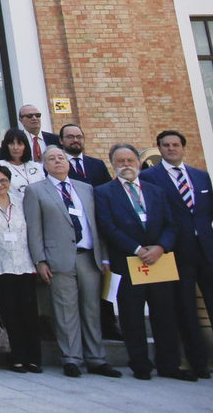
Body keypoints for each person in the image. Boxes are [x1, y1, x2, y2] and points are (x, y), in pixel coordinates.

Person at [94, 142, 190, 380]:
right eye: (120, 161)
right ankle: (140, 365)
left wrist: (160, 247)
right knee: (131, 315)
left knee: (165, 314)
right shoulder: (104, 192)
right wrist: (137, 249)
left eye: (130, 160)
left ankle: (169, 365)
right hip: (127, 261)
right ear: (113, 164)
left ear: (138, 162)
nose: (126, 165)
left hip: (159, 261)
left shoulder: (155, 190)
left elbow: (170, 224)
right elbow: (107, 225)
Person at [24, 145, 114, 377]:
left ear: (68, 162)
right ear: (44, 165)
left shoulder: (86, 189)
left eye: (61, 158)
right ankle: (71, 358)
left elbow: (97, 224)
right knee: (65, 312)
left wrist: (104, 256)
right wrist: (40, 261)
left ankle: (96, 358)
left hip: (88, 257)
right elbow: (34, 229)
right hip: (58, 259)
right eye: (51, 159)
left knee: (92, 310)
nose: (57, 161)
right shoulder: (36, 191)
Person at [141, 128, 213, 380]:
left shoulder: (201, 176)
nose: (171, 148)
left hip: (207, 251)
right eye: (166, 145)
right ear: (159, 149)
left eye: (175, 145)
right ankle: (198, 363)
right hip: (175, 251)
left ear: (183, 147)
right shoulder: (148, 177)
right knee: (186, 309)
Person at [0, 163, 39, 372]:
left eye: (4, 180)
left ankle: (33, 358)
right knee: (9, 315)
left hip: (24, 264)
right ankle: (16, 357)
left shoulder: (21, 203)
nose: (0, 184)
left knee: (28, 314)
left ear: (9, 182)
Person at [58, 124, 111, 189]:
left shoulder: (98, 164)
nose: (76, 140)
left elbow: (109, 188)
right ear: (61, 140)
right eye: (70, 137)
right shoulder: (57, 165)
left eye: (79, 137)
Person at [0, 127, 42, 200]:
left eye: (20, 144)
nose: (15, 147)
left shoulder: (37, 166)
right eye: (11, 144)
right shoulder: (0, 166)